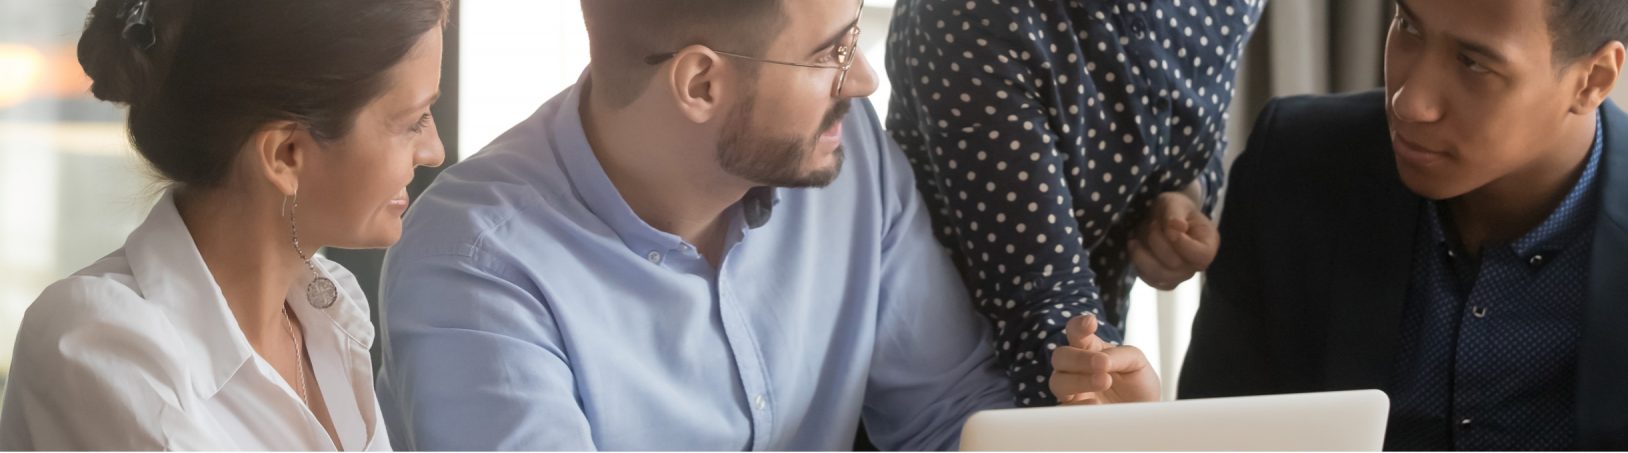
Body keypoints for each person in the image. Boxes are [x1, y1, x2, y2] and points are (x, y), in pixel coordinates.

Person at [373, 0, 1148, 449]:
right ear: (701, 81)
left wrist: (1100, 439)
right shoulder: (473, 261)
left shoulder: (851, 159)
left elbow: (949, 423)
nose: (867, 77)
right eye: (831, 52)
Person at [1178, 0, 1628, 449]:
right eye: (1408, 23)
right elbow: (1217, 434)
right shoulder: (1296, 169)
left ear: (1593, 79)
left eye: (1473, 63)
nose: (1409, 99)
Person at [0, 0, 447, 449]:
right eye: (413, 121)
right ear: (284, 155)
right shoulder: (98, 343)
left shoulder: (331, 312)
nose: (434, 151)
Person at [884, 0, 1265, 406]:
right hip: (939, 394)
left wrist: (1187, 195)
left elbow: (1201, 138)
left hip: (1083, 366)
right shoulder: (967, 15)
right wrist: (1100, 394)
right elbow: (1041, 293)